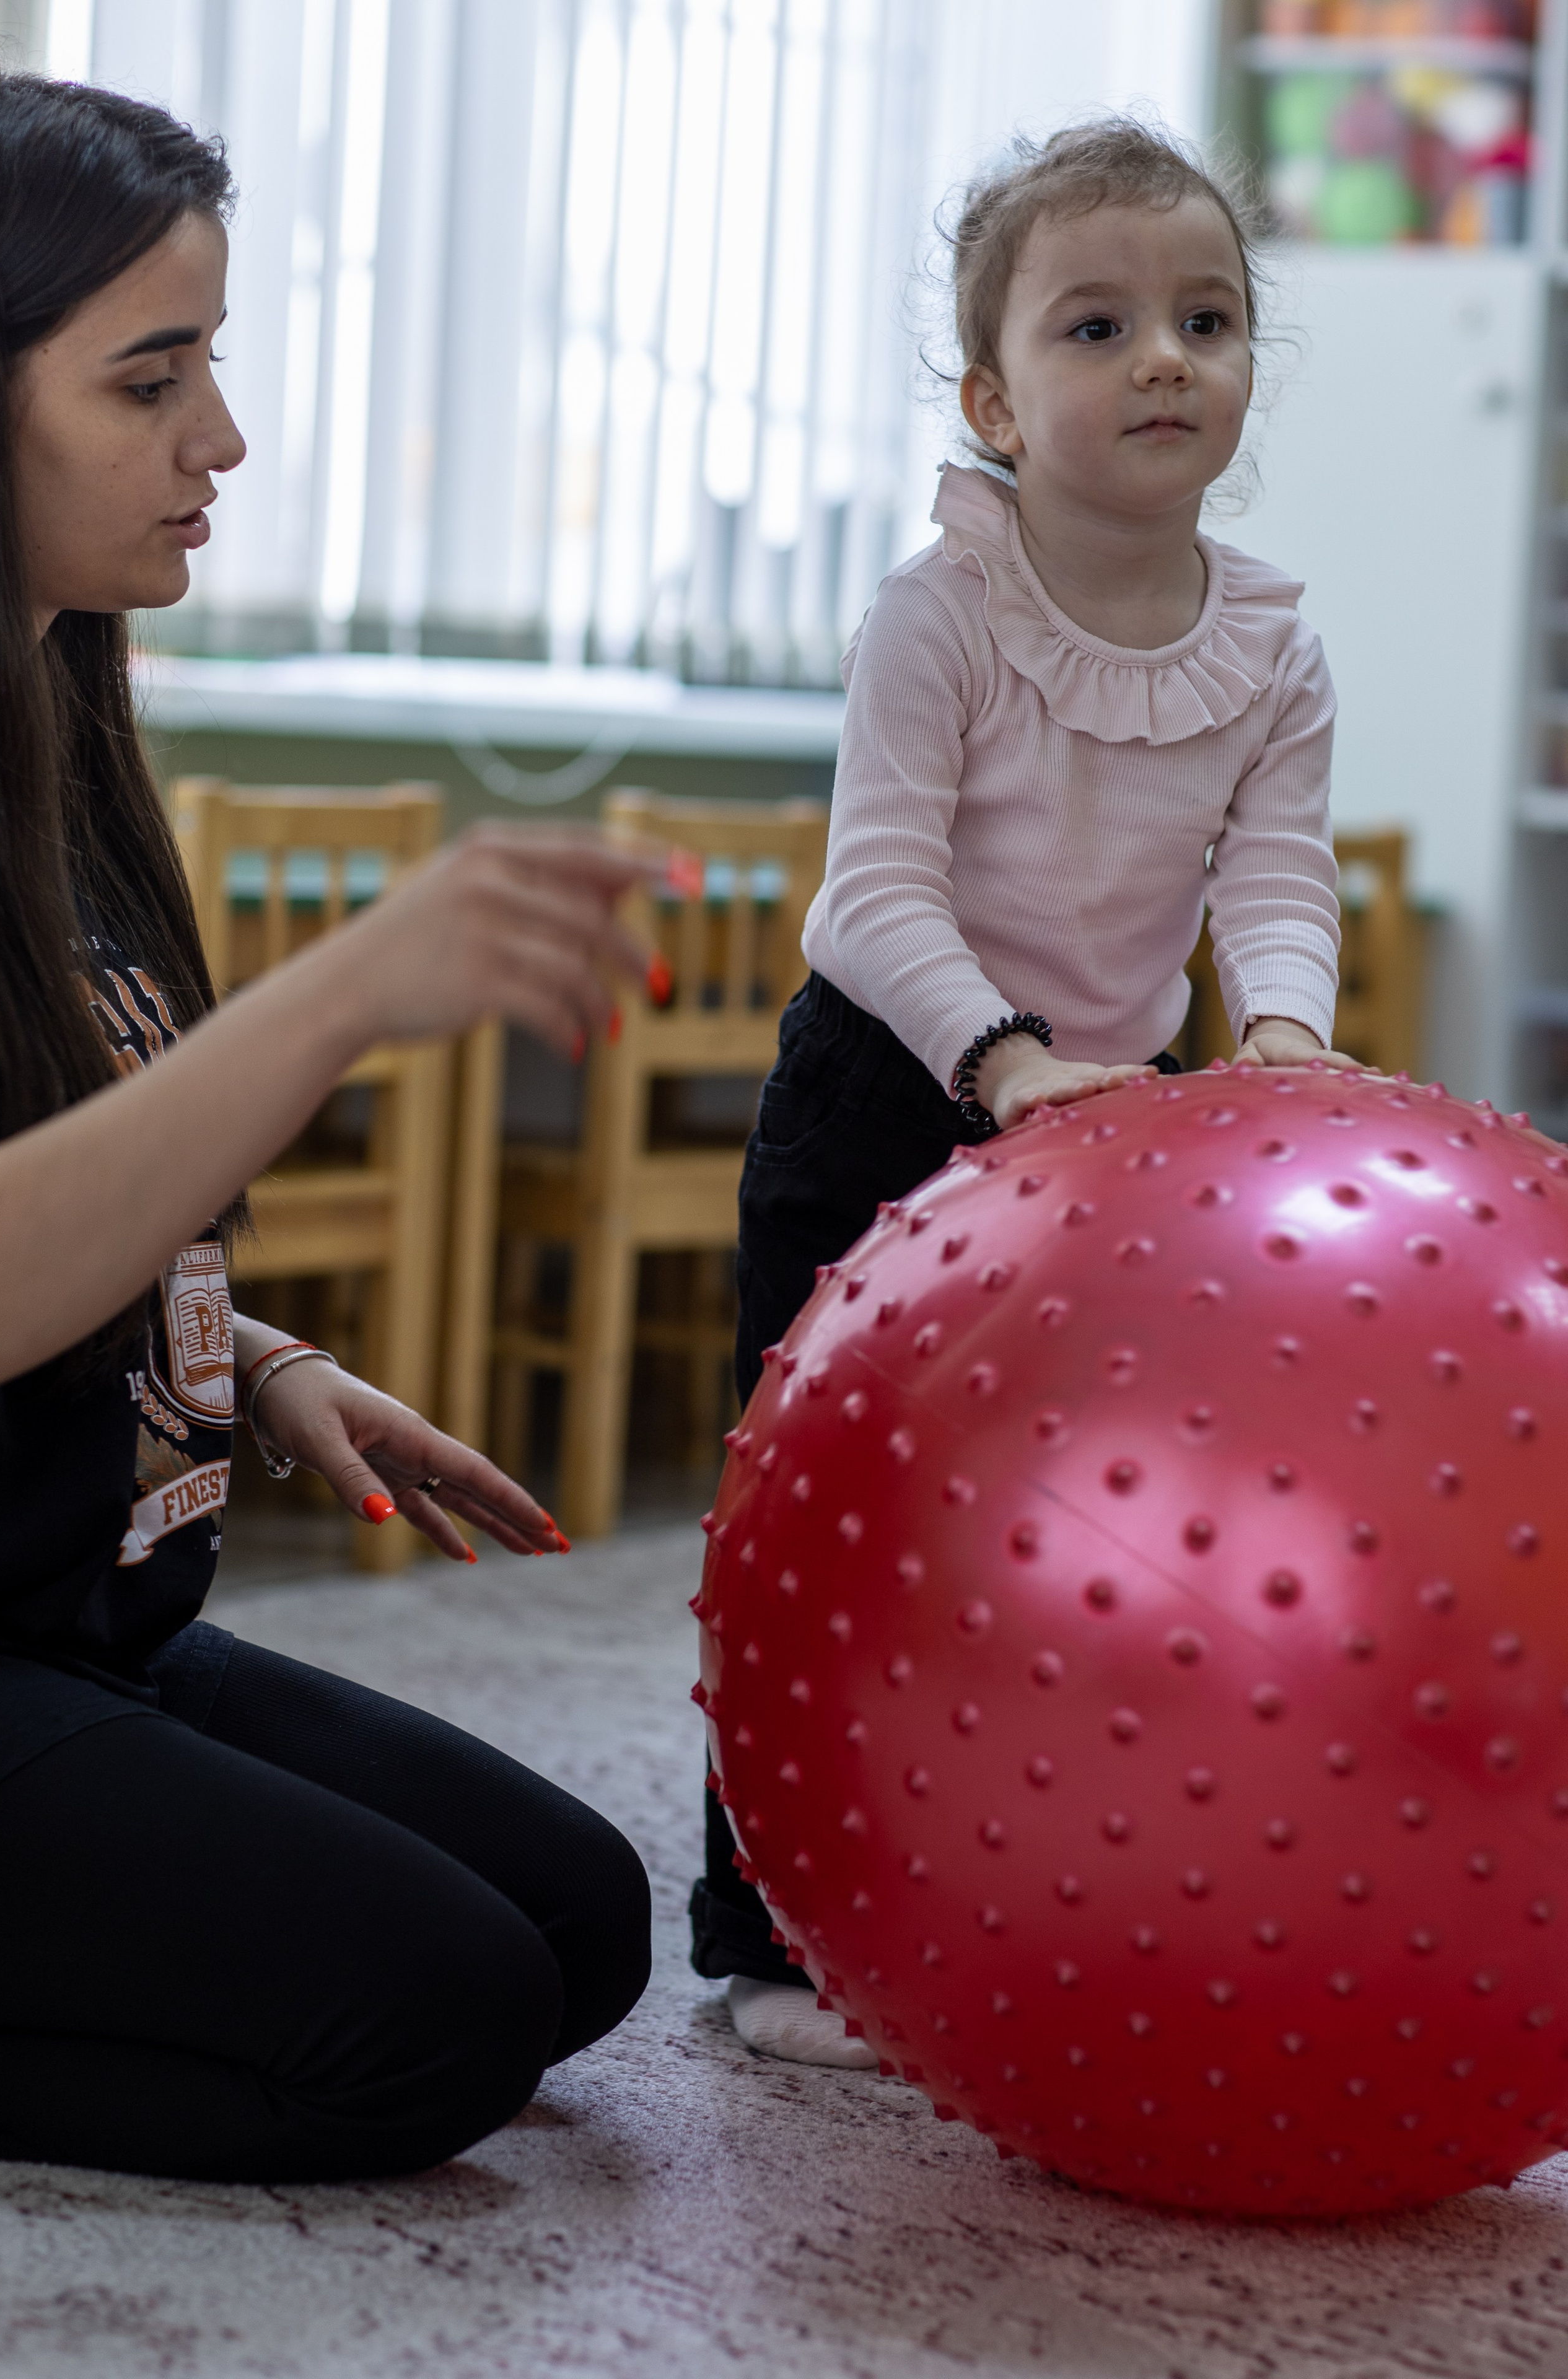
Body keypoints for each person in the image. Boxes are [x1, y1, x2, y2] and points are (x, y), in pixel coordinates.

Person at [0, 63, 657, 2181]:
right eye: (149, 380)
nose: (223, 444)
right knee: (429, 2027)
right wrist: (351, 991)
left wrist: (260, 1366)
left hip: (77, 1619)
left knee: (580, 1925)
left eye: (218, 367)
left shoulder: (67, 727)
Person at [692, 120, 1361, 2066]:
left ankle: (1022, 1874)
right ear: (995, 397)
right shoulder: (941, 609)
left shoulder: (1274, 645)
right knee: (825, 1525)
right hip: (898, 1090)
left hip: (1111, 1129)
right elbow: (869, 886)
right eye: (1099, 324)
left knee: (1056, 1526)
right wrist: (1002, 1064)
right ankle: (767, 1942)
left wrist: (1288, 1046)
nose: (1166, 356)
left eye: (1207, 318)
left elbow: (1276, 875)